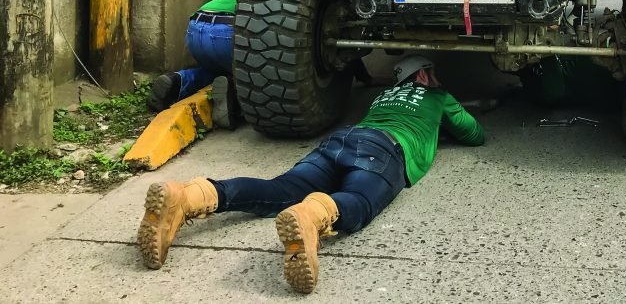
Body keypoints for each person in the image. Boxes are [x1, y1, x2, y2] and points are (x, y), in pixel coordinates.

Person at [136, 55, 484, 294]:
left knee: (278, 189)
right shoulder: (438, 97)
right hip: (383, 150)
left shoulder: (383, 97)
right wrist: (445, 123)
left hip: (340, 141)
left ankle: (190, 195)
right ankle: (312, 214)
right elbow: (473, 134)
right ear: (426, 75)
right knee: (360, 201)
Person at [147, 0, 239, 127]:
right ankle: (233, 91)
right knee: (250, 71)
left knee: (211, 71)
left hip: (195, 28)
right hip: (225, 32)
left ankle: (177, 80)